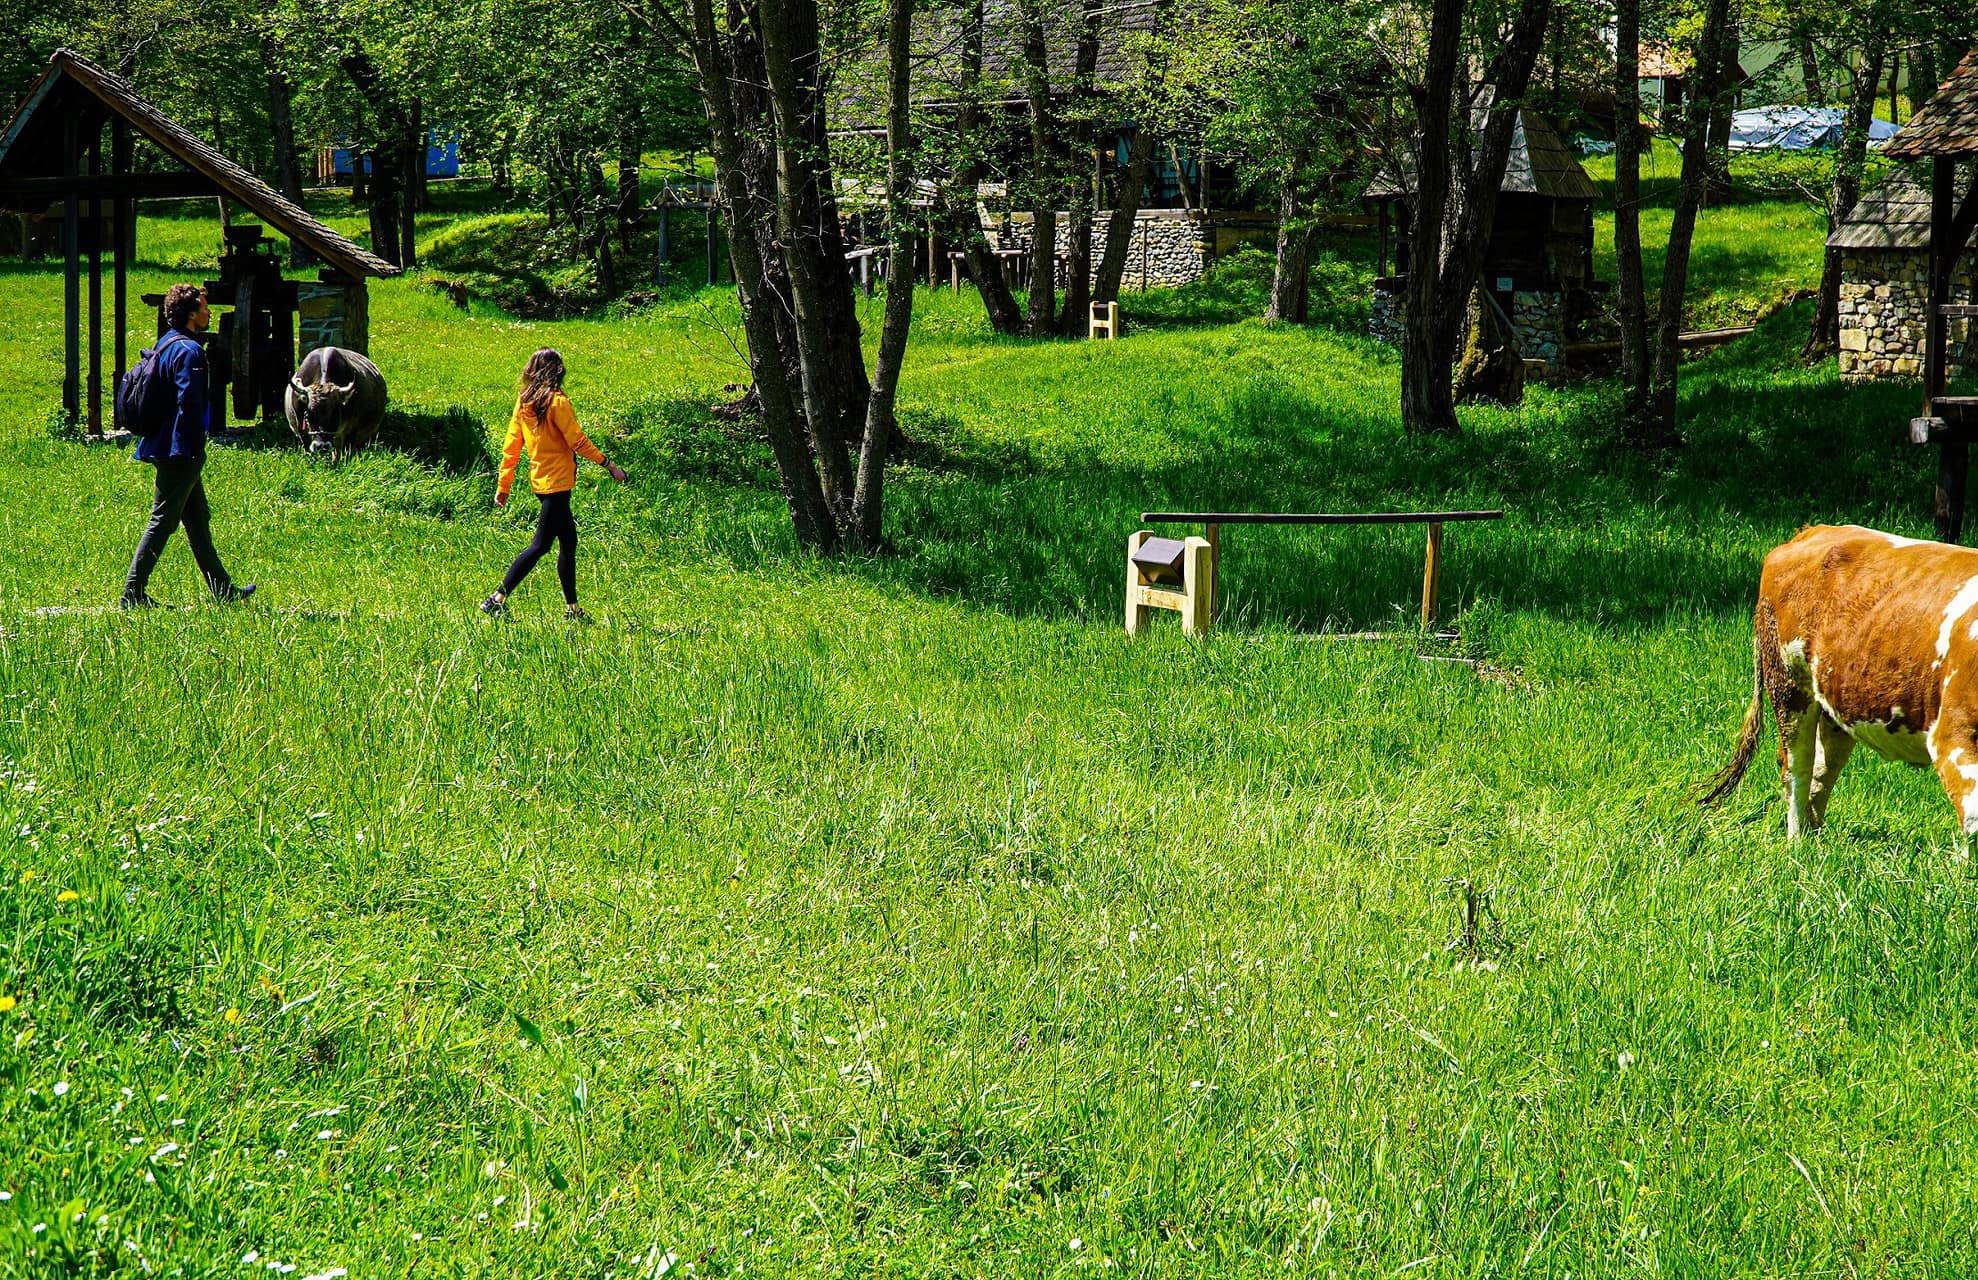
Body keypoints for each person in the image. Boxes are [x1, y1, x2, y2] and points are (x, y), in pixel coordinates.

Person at [121, 284, 255, 609]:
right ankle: (132, 594)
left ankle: (223, 590)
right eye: (205, 308)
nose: (209, 312)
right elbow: (190, 404)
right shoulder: (191, 352)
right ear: (193, 314)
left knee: (196, 520)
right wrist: (192, 447)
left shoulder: (166, 343)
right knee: (163, 521)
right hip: (179, 450)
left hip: (165, 444)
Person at [482, 348, 626, 619]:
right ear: (557, 371)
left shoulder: (524, 402)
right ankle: (496, 598)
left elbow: (511, 446)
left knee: (568, 542)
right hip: (558, 484)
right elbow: (578, 441)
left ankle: (572, 609)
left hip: (541, 482)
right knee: (540, 545)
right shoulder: (557, 402)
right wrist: (610, 465)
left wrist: (504, 485)